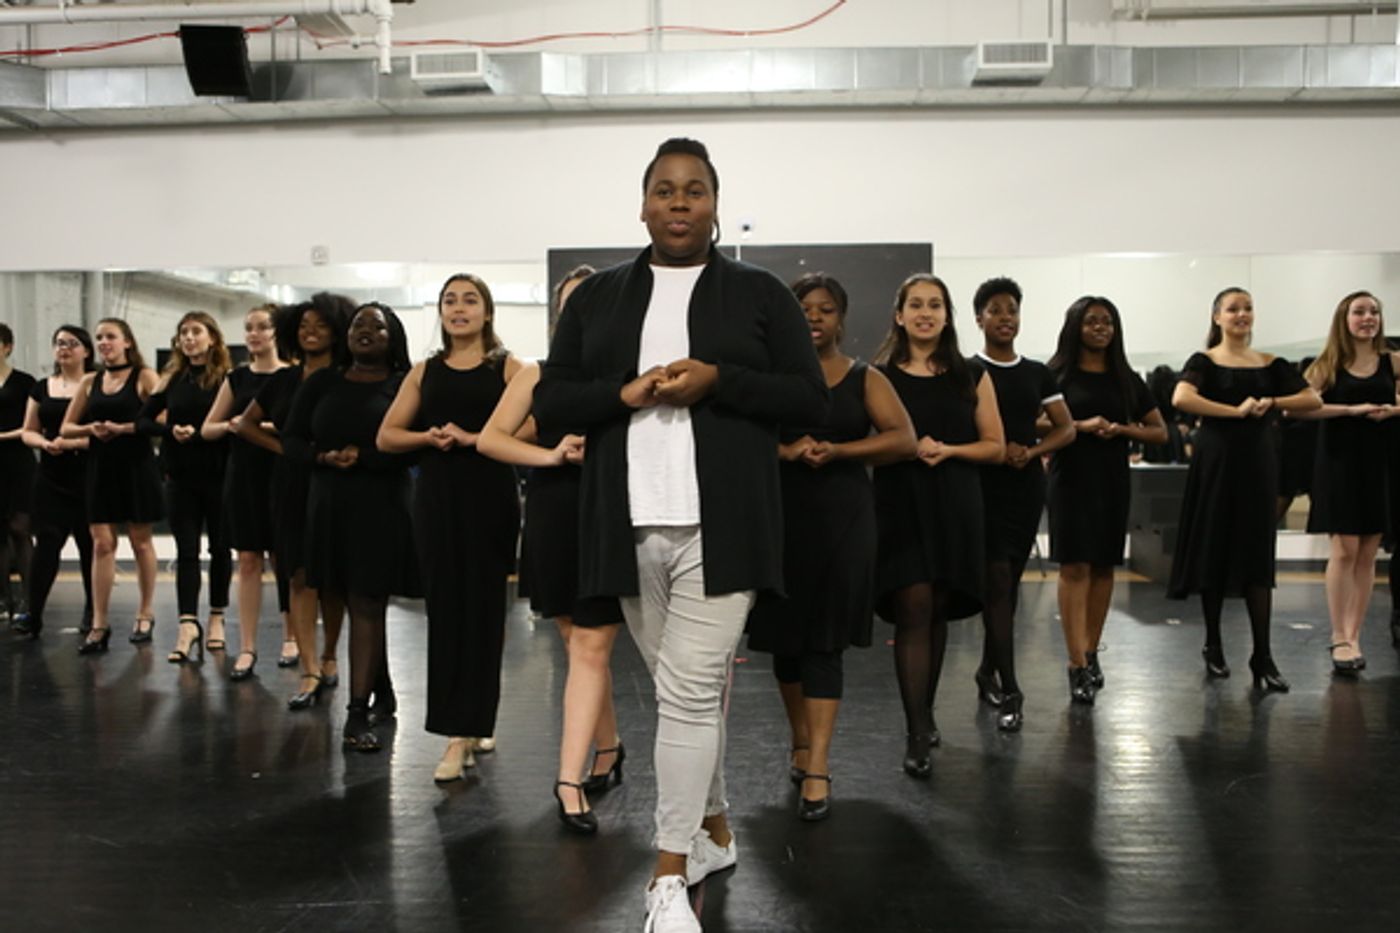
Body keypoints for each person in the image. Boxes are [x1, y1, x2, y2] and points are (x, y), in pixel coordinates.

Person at [535, 137, 827, 933]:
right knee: (681, 698)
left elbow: (809, 397)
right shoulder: (596, 301)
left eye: (694, 190)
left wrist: (720, 380)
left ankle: (667, 876)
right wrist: (622, 392)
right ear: (642, 204)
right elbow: (554, 401)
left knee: (691, 694)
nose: (678, 202)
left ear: (715, 205)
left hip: (723, 527)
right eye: (664, 189)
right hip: (625, 525)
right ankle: (717, 830)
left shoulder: (760, 293)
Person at [746, 272, 915, 820]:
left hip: (844, 522)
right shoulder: (772, 377)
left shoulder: (865, 377)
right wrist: (786, 451)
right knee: (785, 642)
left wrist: (839, 452)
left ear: (842, 319)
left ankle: (817, 765)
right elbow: (743, 443)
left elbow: (902, 439)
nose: (814, 318)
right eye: (804, 310)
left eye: (825, 309)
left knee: (824, 644)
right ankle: (800, 740)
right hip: (778, 523)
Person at [477, 265, 629, 832]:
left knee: (590, 645)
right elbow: (490, 439)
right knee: (577, 642)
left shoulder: (627, 375)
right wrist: (551, 454)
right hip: (554, 511)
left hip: (610, 513)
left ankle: (569, 780)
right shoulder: (538, 374)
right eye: (572, 303)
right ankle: (609, 748)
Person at [378, 274, 524, 784]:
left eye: (470, 300)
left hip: (489, 495)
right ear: (440, 312)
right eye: (450, 301)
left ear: (487, 311)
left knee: (483, 610)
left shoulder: (509, 368)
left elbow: (531, 427)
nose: (459, 309)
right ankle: (457, 730)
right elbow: (387, 436)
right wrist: (429, 435)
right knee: (445, 609)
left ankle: (471, 725)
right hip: (437, 498)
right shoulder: (424, 372)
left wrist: (478, 436)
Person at [874, 274, 1004, 778]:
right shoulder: (879, 374)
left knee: (939, 607)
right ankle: (915, 729)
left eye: (935, 304)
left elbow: (994, 445)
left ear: (947, 315)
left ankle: (925, 717)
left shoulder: (970, 374)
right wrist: (906, 447)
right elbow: (870, 438)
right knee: (914, 603)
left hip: (955, 499)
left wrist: (947, 449)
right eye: (916, 304)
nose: (925, 313)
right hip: (898, 499)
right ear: (899, 314)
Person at [1168, 287, 1321, 691]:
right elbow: (1182, 397)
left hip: (1257, 462)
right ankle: (1214, 644)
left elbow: (1311, 398)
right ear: (1216, 317)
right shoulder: (1205, 361)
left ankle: (1262, 656)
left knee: (1256, 553)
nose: (1242, 314)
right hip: (1217, 461)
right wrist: (1234, 411)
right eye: (1233, 308)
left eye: (1247, 308)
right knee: (1214, 547)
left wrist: (1271, 401)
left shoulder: (1271, 363)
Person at [284, 302, 419, 751]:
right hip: (328, 505)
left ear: (392, 337)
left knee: (367, 600)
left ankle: (356, 713)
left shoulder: (404, 385)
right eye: (358, 324)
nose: (365, 331)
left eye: (376, 326)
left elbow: (415, 444)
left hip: (381, 505)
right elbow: (292, 437)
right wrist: (322, 457)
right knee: (341, 594)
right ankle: (384, 691)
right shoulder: (322, 382)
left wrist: (367, 457)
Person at [1046, 297, 1167, 704]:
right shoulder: (1057, 374)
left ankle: (1092, 652)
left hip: (1111, 478)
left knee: (1102, 566)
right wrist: (1078, 425)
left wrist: (1119, 429)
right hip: (1070, 477)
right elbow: (1032, 419)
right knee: (1074, 565)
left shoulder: (1125, 377)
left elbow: (1159, 431)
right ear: (1075, 325)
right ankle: (1075, 661)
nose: (1100, 327)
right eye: (1092, 320)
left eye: (1108, 321)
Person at [238, 295, 352, 709]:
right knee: (298, 575)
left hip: (337, 482)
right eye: (303, 324)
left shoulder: (347, 378)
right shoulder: (282, 381)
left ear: (337, 331)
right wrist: (285, 449)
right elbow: (245, 424)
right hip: (292, 483)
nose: (310, 331)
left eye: (320, 325)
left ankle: (328, 656)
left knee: (333, 578)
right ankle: (308, 668)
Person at [970, 277, 1075, 731]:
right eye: (995, 310)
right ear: (979, 319)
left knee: (1008, 585)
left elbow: (1065, 428)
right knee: (995, 581)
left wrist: (1031, 452)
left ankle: (985, 670)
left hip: (1025, 486)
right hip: (981, 484)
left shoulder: (1037, 372)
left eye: (1011, 310)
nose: (1005, 318)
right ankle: (1011, 686)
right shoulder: (967, 368)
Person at [1291, 292, 1399, 674]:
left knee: (1369, 552)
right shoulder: (1327, 365)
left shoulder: (1393, 361)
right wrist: (1350, 409)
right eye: (1359, 312)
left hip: (1379, 462)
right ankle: (1339, 635)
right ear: (1344, 318)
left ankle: (1354, 636)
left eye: (1374, 312)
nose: (1368, 318)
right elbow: (1296, 405)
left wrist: (1393, 410)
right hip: (1338, 463)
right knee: (1344, 551)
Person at [60, 318, 163, 654]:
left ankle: (145, 612)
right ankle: (99, 622)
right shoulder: (91, 381)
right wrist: (93, 429)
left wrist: (125, 428)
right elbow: (66, 428)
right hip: (101, 468)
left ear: (127, 342)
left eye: (111, 337)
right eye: (100, 337)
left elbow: (162, 421)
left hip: (136, 466)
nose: (104, 342)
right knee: (102, 544)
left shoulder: (145, 377)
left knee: (140, 542)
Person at [200, 305, 290, 679]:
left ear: (276, 333)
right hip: (244, 476)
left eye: (262, 327)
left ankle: (292, 637)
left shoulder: (292, 377)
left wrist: (262, 426)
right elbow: (208, 428)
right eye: (249, 328)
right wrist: (232, 425)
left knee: (284, 558)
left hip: (281, 472)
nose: (254, 334)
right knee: (248, 560)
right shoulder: (236, 379)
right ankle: (248, 646)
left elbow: (301, 430)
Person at [139, 312, 233, 668]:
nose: (189, 338)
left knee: (221, 547)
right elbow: (143, 420)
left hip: (219, 474)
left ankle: (217, 617)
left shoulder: (227, 377)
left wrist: (216, 429)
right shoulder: (171, 377)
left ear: (212, 338)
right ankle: (187, 623)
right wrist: (170, 431)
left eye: (196, 332)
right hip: (180, 476)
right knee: (187, 550)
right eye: (183, 333)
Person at [15, 326, 96, 639]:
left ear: (86, 351)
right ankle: (33, 614)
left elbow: (102, 435)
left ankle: (94, 614)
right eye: (59, 344)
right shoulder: (41, 387)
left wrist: (73, 444)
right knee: (47, 545)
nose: (64, 349)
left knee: (91, 546)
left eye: (72, 344)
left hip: (88, 475)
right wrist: (44, 443)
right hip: (51, 477)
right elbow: (28, 430)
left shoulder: (94, 386)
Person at [0, 322, 37, 626]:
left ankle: (29, 597)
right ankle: (3, 599)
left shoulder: (25, 382)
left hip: (18, 461)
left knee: (20, 529)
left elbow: (31, 426)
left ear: (7, 347)